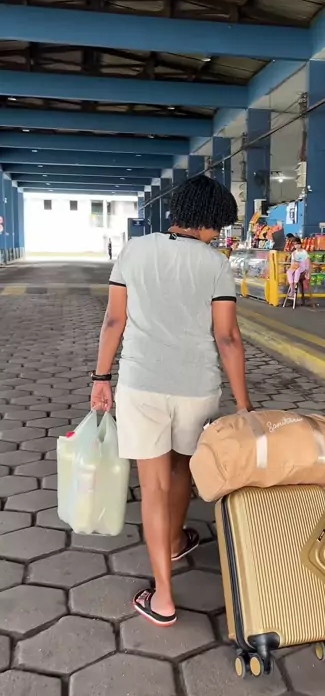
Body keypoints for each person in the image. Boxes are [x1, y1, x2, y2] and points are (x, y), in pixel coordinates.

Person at [90, 176, 252, 628]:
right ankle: (177, 539)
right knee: (183, 469)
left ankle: (163, 597)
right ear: (210, 221)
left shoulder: (134, 251)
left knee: (154, 487)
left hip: (141, 385)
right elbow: (227, 337)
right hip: (197, 388)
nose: (218, 234)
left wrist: (101, 377)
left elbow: (114, 321)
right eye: (219, 225)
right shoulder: (215, 264)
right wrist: (244, 405)